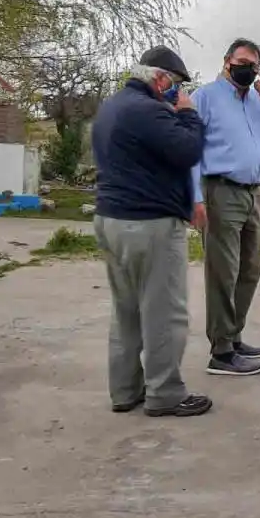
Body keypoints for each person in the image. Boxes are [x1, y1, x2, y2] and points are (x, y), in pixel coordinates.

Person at [90, 46, 212, 418]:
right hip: (149, 224)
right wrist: (189, 114)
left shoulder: (111, 107)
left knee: (126, 310)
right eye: (175, 85)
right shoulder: (149, 110)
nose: (178, 92)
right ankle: (165, 393)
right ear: (160, 79)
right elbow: (189, 150)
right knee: (164, 312)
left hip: (111, 219)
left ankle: (125, 390)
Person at [189, 38, 260, 376]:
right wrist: (194, 197)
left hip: (253, 193)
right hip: (220, 191)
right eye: (243, 62)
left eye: (255, 65)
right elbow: (189, 149)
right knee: (223, 272)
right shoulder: (205, 98)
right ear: (227, 61)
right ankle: (220, 351)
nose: (248, 69)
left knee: (249, 269)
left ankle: (234, 337)